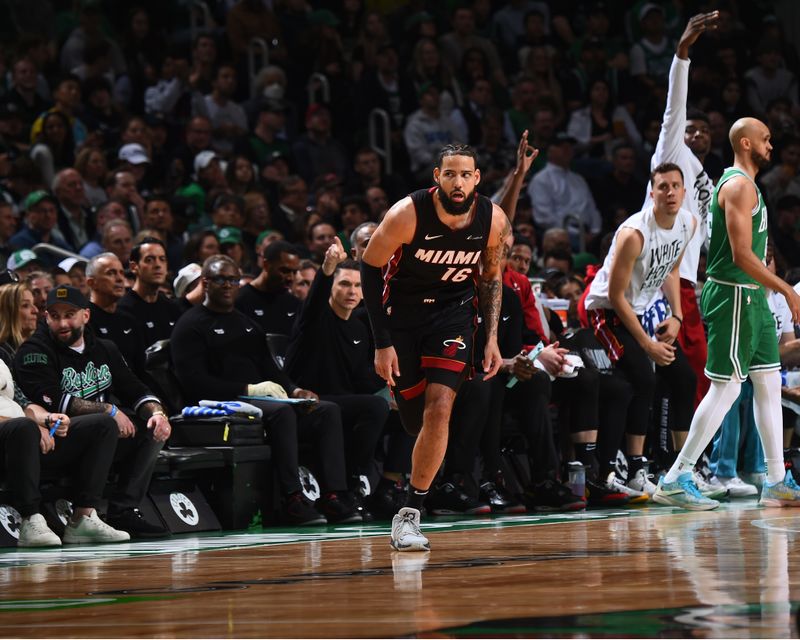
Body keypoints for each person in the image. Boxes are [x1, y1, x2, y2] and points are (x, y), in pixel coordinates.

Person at [361, 143, 507, 552]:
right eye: (450, 174)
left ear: (476, 178)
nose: (458, 182)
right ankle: (420, 467)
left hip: (453, 314)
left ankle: (409, 514)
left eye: (465, 174)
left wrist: (491, 336)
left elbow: (491, 278)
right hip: (403, 318)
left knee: (441, 406)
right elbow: (371, 270)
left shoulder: (492, 220)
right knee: (414, 422)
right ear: (437, 178)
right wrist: (382, 343)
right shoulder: (407, 213)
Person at [654, 118, 800, 509]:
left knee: (768, 383)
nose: (772, 145)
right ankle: (677, 475)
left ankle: (775, 480)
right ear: (748, 144)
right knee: (728, 387)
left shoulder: (748, 186)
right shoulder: (736, 185)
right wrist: (784, 288)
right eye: (767, 139)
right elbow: (740, 255)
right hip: (733, 294)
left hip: (752, 296)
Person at [170, 255, 360, 525]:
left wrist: (294, 390)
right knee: (282, 413)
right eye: (220, 280)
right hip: (218, 403)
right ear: (205, 283)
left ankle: (332, 495)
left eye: (233, 280)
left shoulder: (247, 323)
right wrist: (249, 388)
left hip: (260, 400)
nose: (228, 285)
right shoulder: (190, 326)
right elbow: (194, 382)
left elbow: (272, 369)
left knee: (326, 410)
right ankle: (292, 497)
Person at [14, 285, 172, 538]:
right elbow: (54, 401)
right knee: (104, 423)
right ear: (46, 318)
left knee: (152, 430)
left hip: (99, 438)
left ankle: (124, 511)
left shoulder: (105, 348)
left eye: (69, 314)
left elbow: (134, 388)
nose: (62, 322)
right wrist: (109, 410)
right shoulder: (34, 352)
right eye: (54, 316)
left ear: (85, 316)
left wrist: (157, 413)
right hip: (55, 438)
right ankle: (83, 518)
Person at [582, 163, 697, 497]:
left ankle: (680, 468)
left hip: (645, 309)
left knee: (685, 377)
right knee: (644, 379)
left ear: (684, 192)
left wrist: (676, 315)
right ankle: (634, 468)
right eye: (663, 186)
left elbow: (673, 268)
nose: (670, 192)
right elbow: (616, 296)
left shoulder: (687, 223)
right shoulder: (634, 234)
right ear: (652, 192)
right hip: (608, 312)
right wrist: (647, 345)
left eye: (676, 186)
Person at [643, 12, 720, 409]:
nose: (695, 135)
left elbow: (709, 235)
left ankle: (687, 457)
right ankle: (657, 458)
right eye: (690, 130)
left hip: (688, 281)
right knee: (665, 372)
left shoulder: (707, 179)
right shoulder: (672, 153)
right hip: (657, 277)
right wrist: (682, 54)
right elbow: (675, 110)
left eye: (703, 130)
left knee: (695, 372)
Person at [0, 359, 130, 547]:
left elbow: (24, 403)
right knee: (23, 427)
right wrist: (32, 426)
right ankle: (30, 519)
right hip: (12, 436)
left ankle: (83, 519)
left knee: (102, 425)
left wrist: (48, 418)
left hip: (24, 435)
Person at [117, 238, 183, 349]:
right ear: (134, 267)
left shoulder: (173, 308)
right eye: (149, 260)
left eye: (162, 259)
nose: (158, 265)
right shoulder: (122, 310)